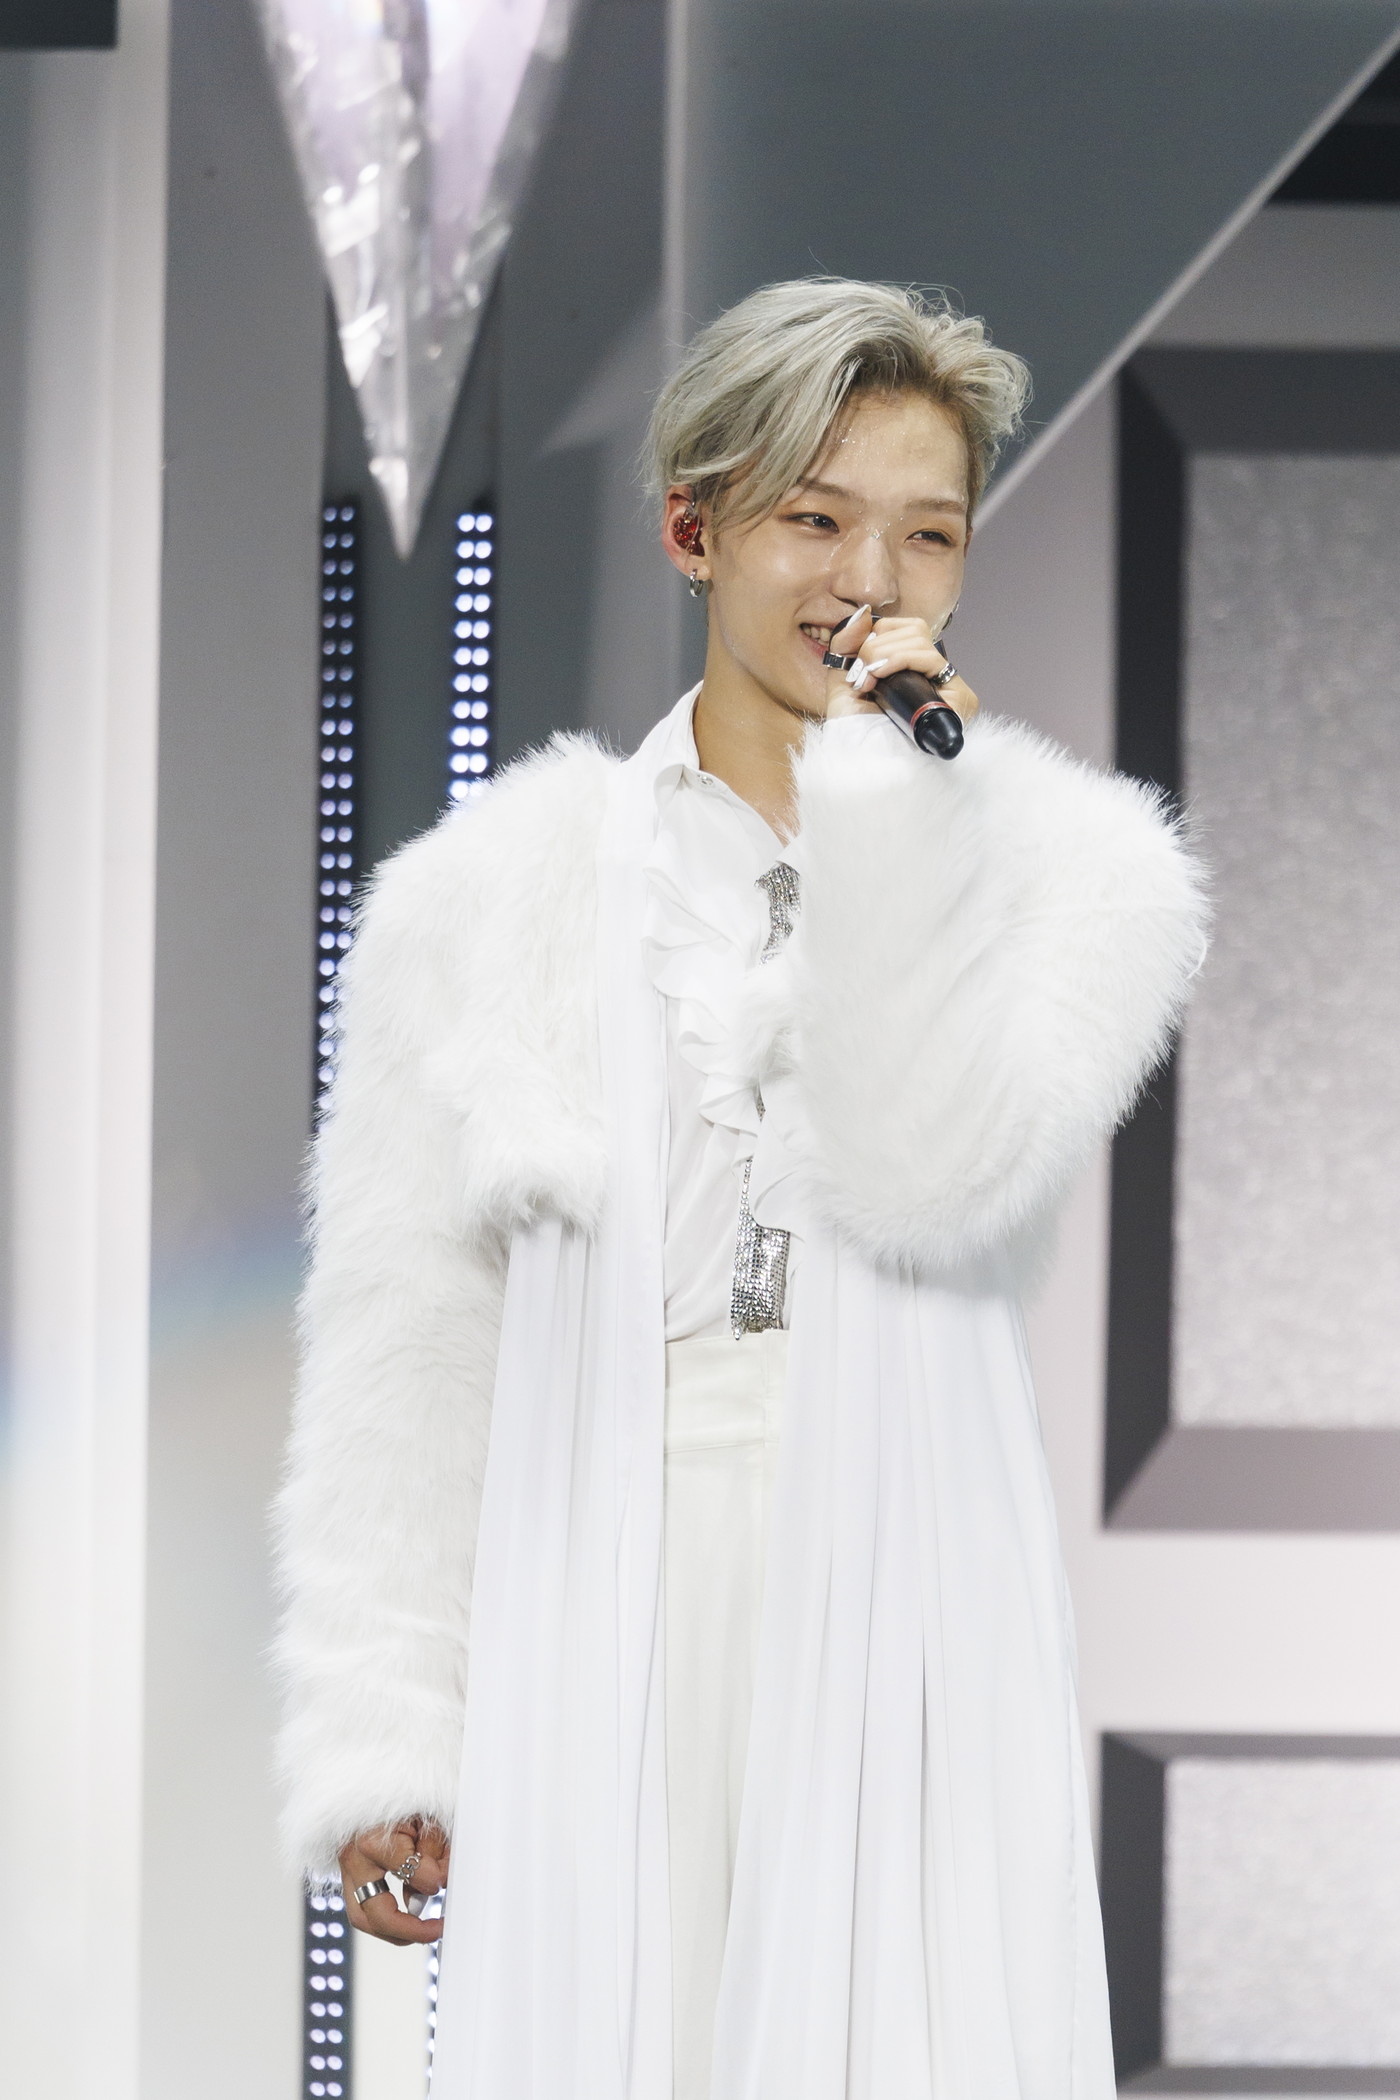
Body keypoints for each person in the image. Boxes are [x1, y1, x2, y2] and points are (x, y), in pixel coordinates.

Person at [274, 277, 1207, 2100]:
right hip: (603, 1569)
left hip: (915, 1578)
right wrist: (390, 1717)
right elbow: (407, 1327)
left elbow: (929, 1178)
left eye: (927, 533)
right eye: (815, 519)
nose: (872, 579)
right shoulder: (488, 896)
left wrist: (900, 823)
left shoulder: (1078, 877)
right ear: (695, 531)